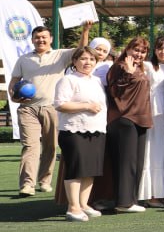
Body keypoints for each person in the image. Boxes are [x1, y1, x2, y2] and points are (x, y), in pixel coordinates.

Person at [9, 22, 91, 196]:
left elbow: (81, 49)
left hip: (52, 108)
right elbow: (14, 82)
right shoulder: (23, 59)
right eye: (37, 37)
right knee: (30, 146)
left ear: (50, 39)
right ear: (32, 40)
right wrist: (14, 96)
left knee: (51, 146)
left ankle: (44, 180)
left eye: (44, 37)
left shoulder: (60, 55)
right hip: (27, 108)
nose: (41, 40)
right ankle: (27, 184)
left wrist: (85, 31)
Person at [53, 46, 107, 221]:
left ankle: (83, 204)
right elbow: (60, 104)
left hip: (96, 130)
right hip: (73, 130)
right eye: (83, 59)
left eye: (91, 59)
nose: (87, 62)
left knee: (90, 169)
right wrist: (87, 106)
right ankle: (73, 207)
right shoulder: (68, 80)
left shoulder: (96, 81)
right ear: (74, 61)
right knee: (76, 169)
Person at [104, 36, 153, 213]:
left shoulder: (140, 68)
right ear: (128, 49)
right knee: (127, 162)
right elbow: (114, 90)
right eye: (136, 50)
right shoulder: (119, 66)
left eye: (143, 51)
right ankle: (123, 202)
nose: (139, 54)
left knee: (137, 162)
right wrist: (128, 73)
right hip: (124, 119)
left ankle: (131, 199)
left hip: (140, 119)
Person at [137, 36, 164, 207]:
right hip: (151, 111)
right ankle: (150, 194)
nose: (163, 51)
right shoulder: (147, 66)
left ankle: (163, 192)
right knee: (151, 151)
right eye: (160, 48)